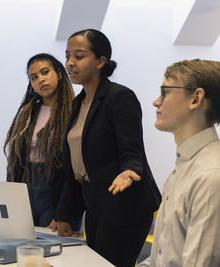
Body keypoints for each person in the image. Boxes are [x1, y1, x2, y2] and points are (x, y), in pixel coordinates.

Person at [56, 29, 161, 267]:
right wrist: (65, 215)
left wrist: (130, 170)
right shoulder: (77, 102)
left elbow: (132, 152)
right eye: (68, 55)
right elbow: (75, 166)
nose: (70, 63)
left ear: (101, 61)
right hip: (95, 205)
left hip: (125, 207)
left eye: (79, 56)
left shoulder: (120, 97)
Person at [138, 59, 220, 267]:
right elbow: (159, 259)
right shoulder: (181, 170)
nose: (156, 101)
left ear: (196, 98)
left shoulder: (214, 177)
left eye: (165, 92)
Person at [4, 53, 81, 231]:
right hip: (26, 186)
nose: (41, 80)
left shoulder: (74, 110)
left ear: (59, 74)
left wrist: (64, 214)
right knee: (21, 246)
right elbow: (14, 160)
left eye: (45, 72)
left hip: (56, 189)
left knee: (53, 249)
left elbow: (75, 170)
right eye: (34, 77)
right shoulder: (28, 113)